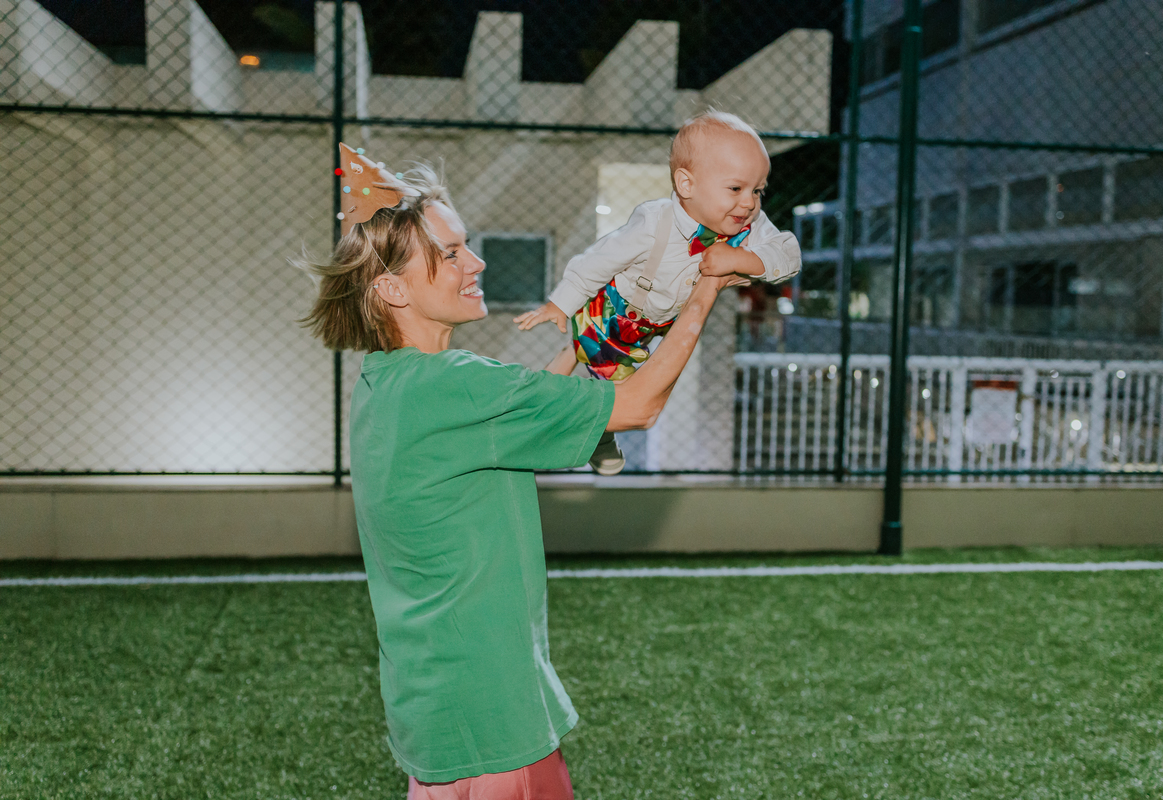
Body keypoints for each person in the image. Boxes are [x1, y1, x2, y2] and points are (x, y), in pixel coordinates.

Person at [300, 145, 744, 799]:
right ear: (393, 288)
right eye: (449, 254)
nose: (474, 262)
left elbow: (505, 419)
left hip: (437, 703)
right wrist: (704, 287)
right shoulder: (456, 386)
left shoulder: (388, 383)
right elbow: (639, 406)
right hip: (491, 710)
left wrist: (580, 346)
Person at [513, 110, 802, 475]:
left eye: (757, 190)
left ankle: (574, 379)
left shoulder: (748, 225)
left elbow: (789, 254)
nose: (749, 203)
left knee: (612, 366)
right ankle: (598, 435)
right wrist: (561, 303)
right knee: (614, 382)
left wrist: (744, 258)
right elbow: (600, 259)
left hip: (659, 323)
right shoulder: (654, 221)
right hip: (617, 309)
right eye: (736, 188)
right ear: (686, 184)